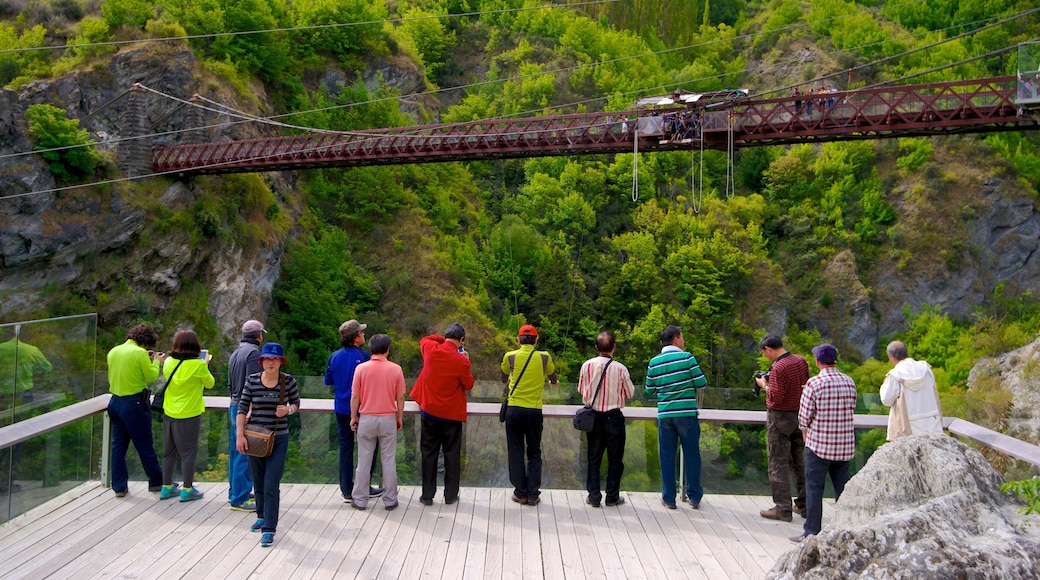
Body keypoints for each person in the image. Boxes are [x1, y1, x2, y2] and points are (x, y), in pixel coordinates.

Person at [236, 342, 301, 548]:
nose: (271, 362)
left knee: (271, 483)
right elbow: (241, 408)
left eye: (275, 359)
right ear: (261, 361)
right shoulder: (252, 380)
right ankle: (262, 515)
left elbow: (296, 404)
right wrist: (240, 436)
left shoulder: (287, 381)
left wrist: (287, 411)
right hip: (255, 437)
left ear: (281, 362)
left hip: (279, 438)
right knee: (258, 481)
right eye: (267, 359)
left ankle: (269, 529)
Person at [791, 343, 857, 543]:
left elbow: (804, 417)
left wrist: (804, 432)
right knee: (843, 489)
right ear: (835, 361)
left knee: (814, 488)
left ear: (818, 361)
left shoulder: (814, 384)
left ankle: (812, 532)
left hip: (819, 444)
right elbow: (852, 408)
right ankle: (845, 528)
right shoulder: (849, 382)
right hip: (844, 445)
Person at [410, 323, 475, 506]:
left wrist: (443, 339)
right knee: (451, 455)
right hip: (451, 416)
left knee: (429, 453)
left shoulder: (430, 349)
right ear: (461, 341)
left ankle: (427, 495)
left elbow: (426, 339)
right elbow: (468, 384)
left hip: (429, 412)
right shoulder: (461, 361)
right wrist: (464, 357)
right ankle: (450, 495)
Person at [645, 325, 708, 510]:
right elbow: (701, 382)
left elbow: (648, 392)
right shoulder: (687, 357)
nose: (683, 341)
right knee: (692, 455)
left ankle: (669, 498)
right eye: (682, 337)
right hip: (687, 415)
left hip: (665, 416)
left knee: (667, 456)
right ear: (676, 339)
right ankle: (694, 496)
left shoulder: (654, 362)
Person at [325, 319, 383, 502]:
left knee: (345, 449)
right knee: (369, 448)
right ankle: (364, 486)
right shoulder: (365, 358)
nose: (364, 335)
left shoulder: (334, 356)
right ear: (355, 337)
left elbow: (329, 381)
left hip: (341, 409)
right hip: (363, 409)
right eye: (361, 333)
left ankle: (346, 490)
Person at [501, 324, 559, 506]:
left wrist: (510, 377)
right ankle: (533, 494)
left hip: (514, 409)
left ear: (518, 340)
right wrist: (553, 382)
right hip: (534, 411)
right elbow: (553, 377)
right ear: (536, 340)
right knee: (534, 452)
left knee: (516, 451)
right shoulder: (544, 357)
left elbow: (503, 377)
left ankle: (520, 493)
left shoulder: (510, 356)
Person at [755, 334, 810, 522]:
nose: (766, 356)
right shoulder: (800, 361)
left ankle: (782, 508)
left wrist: (764, 385)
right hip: (799, 415)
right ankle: (804, 503)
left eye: (765, 353)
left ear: (768, 349)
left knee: (778, 461)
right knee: (799, 461)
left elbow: (775, 396)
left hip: (779, 418)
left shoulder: (779, 367)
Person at [106, 324, 165, 497]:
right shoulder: (139, 353)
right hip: (134, 404)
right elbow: (151, 376)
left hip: (115, 402)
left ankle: (119, 486)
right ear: (145, 343)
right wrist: (156, 362)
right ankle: (156, 481)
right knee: (144, 444)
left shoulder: (114, 351)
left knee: (118, 446)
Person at [577, 331, 634, 508]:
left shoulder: (587, 365)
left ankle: (594, 496)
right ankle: (612, 496)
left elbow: (581, 390)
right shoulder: (621, 369)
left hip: (593, 418)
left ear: (596, 347)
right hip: (614, 418)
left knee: (593, 458)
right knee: (615, 459)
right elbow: (630, 393)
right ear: (614, 347)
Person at [349, 334, 406, 511]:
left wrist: (353, 416)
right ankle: (390, 499)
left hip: (367, 418)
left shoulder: (361, 369)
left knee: (364, 460)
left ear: (371, 349)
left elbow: (355, 396)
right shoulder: (396, 369)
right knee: (388, 460)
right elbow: (401, 397)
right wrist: (399, 416)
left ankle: (359, 499)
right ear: (387, 349)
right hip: (388, 417)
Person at [158, 329, 215, 502]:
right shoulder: (197, 366)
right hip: (189, 414)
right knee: (188, 453)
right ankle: (187, 489)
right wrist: (204, 364)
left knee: (169, 453)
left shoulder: (168, 362)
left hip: (169, 412)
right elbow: (210, 383)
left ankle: (166, 486)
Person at [226, 320, 264, 511]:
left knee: (235, 449)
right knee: (245, 451)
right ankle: (240, 498)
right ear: (259, 336)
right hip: (245, 407)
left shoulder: (235, 352)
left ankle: (235, 491)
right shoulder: (254, 354)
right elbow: (253, 383)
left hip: (233, 405)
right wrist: (251, 408)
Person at [880, 341, 943, 440]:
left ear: (891, 357)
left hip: (908, 428)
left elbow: (886, 400)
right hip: (932, 425)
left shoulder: (895, 375)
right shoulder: (926, 370)